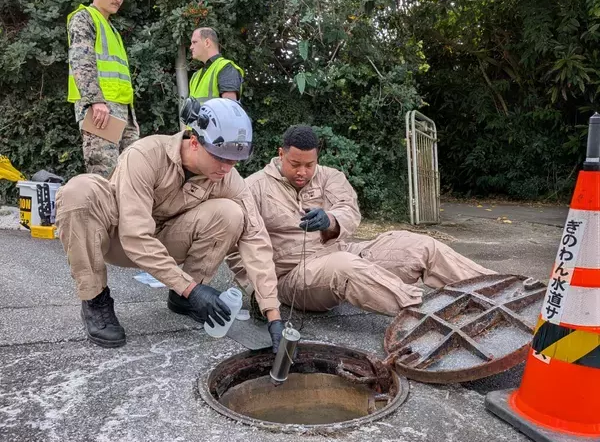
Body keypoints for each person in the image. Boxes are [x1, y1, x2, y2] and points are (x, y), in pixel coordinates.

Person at [55, 97, 284, 351]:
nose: (228, 168)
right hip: (118, 237)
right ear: (195, 142)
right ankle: (95, 299)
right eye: (221, 159)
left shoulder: (227, 176)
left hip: (164, 241)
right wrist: (192, 289)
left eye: (234, 161)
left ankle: (183, 298)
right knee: (78, 191)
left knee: (232, 213)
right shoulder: (145, 155)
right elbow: (135, 236)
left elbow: (255, 235)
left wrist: (272, 312)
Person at [229, 124, 495, 315]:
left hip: (343, 251)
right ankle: (429, 313)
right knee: (345, 266)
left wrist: (331, 220)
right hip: (292, 277)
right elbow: (235, 249)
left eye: (309, 165)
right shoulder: (254, 188)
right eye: (295, 164)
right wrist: (260, 294)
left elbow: (349, 211)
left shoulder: (329, 176)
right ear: (281, 154)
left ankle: (501, 290)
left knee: (419, 246)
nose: (303, 172)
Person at [66, 0, 139, 178]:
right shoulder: (84, 18)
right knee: (105, 175)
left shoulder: (111, 29)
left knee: (132, 175)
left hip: (121, 112)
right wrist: (95, 100)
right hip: (101, 111)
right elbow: (81, 60)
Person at [189, 27, 244, 101]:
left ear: (207, 43)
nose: (191, 47)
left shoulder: (225, 67)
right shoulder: (195, 76)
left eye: (194, 42)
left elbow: (229, 108)